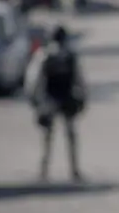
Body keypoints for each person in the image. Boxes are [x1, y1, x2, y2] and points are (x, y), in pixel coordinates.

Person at [25, 25, 86, 182]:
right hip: (64, 98)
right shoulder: (67, 56)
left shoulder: (45, 55)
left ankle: (45, 170)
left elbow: (34, 79)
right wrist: (83, 96)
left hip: (51, 99)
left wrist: (35, 100)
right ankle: (73, 170)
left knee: (48, 137)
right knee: (69, 136)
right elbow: (80, 80)